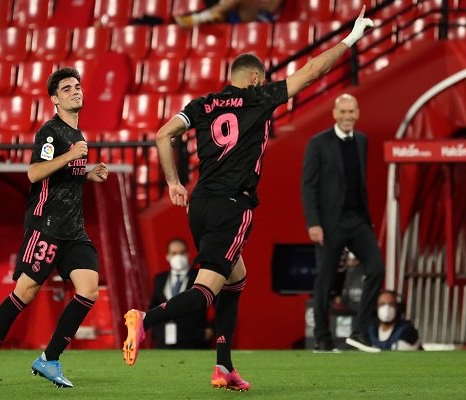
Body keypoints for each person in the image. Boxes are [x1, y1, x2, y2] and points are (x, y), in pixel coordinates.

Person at [123, 8, 374, 392]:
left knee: (235, 280)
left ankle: (223, 367)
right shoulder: (258, 98)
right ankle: (145, 319)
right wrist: (352, 38)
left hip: (201, 203)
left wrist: (174, 182)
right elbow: (312, 72)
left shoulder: (203, 105)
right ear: (255, 79)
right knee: (205, 290)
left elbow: (162, 134)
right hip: (233, 205)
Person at [0, 67, 109, 389]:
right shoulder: (51, 132)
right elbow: (34, 173)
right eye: (68, 88)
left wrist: (88, 173)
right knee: (25, 293)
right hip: (45, 225)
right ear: (54, 99)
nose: (76, 91)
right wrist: (73, 156)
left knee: (88, 289)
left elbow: (64, 176)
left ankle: (49, 359)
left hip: (74, 229)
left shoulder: (77, 135)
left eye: (78, 86)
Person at [301, 93, 385, 353]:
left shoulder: (362, 140)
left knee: (376, 269)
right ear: (335, 114)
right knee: (325, 282)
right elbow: (308, 186)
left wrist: (366, 220)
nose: (348, 116)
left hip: (358, 220)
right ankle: (322, 339)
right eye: (343, 112)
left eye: (352, 111)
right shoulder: (318, 143)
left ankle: (359, 333)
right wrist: (314, 223)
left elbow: (359, 183)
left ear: (357, 113)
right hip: (329, 224)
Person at [149, 238, 213, 349]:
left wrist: (212, 330)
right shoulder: (160, 279)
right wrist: (156, 330)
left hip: (194, 341)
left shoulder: (201, 276)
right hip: (165, 341)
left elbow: (221, 305)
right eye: (174, 253)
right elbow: (153, 306)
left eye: (181, 253)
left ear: (188, 254)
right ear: (167, 256)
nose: (178, 257)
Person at [174, 0, 285, 28]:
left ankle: (203, 17)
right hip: (237, 14)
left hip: (262, 19)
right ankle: (215, 14)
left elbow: (270, 9)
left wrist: (254, 4)